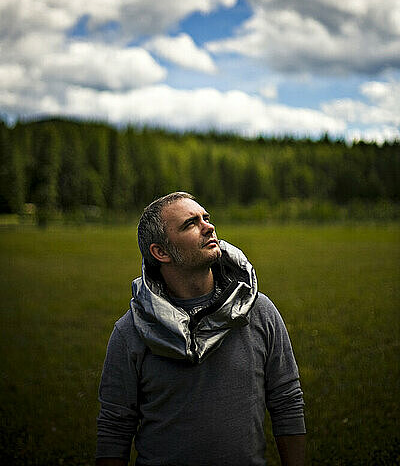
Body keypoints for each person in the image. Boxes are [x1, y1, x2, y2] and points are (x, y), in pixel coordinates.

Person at [96, 191, 306, 466]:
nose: (209, 227)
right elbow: (115, 428)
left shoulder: (259, 311)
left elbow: (287, 401)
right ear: (160, 252)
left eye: (206, 218)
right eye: (190, 223)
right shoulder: (131, 331)